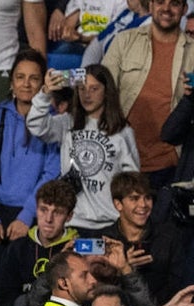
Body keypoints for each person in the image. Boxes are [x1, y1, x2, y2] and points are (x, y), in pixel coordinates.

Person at [27, 66, 139, 232]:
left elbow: (133, 181)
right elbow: (36, 126)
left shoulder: (123, 132)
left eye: (94, 89)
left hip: (111, 222)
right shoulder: (68, 123)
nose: (87, 95)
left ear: (107, 92)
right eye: (81, 88)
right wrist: (45, 93)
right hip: (73, 221)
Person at [103, 0, 194, 186]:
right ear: (150, 5)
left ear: (185, 9)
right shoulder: (124, 41)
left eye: (175, 3)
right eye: (160, 2)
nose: (166, 9)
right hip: (119, 159)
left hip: (168, 166)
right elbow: (100, 90)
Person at [0, 49, 59, 243]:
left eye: (34, 78)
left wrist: (27, 215)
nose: (26, 84)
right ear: (12, 82)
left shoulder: (55, 123)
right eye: (20, 77)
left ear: (43, 83)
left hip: (37, 213)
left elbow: (51, 174)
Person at [0, 179, 79, 306]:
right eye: (43, 210)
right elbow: (3, 298)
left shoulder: (77, 251)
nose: (49, 219)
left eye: (57, 212)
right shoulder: (17, 249)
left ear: (69, 216)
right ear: (36, 209)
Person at [97, 171, 187, 306]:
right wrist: (123, 270)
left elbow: (179, 284)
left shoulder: (170, 236)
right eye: (134, 198)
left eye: (147, 198)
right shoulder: (104, 240)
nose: (143, 205)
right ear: (118, 204)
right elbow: (95, 290)